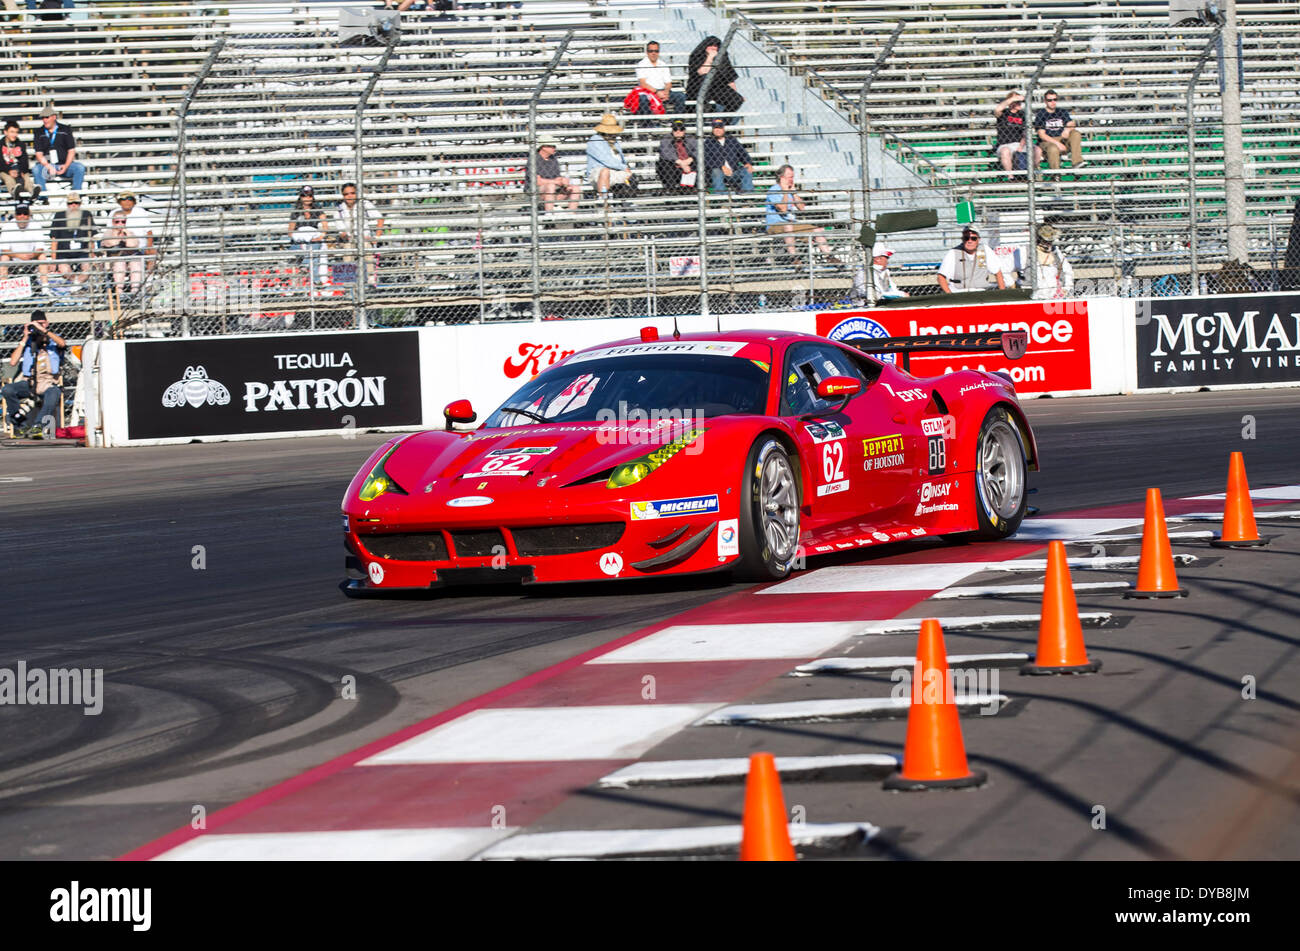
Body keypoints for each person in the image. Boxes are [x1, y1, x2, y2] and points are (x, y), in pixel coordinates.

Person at [765, 164, 841, 266]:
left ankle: (830, 257)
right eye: (790, 177)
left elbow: (801, 208)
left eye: (793, 177)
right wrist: (786, 192)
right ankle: (794, 259)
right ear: (781, 178)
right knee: (788, 227)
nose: (792, 180)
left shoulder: (790, 191)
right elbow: (782, 209)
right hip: (775, 224)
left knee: (817, 230)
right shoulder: (773, 190)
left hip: (792, 223)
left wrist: (794, 193)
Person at [3, 310, 64, 437]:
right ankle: (21, 425)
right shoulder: (28, 342)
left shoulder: (53, 339)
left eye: (41, 323)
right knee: (7, 389)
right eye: (36, 324)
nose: (39, 327)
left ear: (47, 323)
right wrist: (25, 337)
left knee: (53, 394)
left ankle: (38, 426)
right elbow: (13, 362)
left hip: (48, 382)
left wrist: (44, 331)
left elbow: (62, 343)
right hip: (30, 382)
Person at [333, 182, 384, 284]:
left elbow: (380, 219)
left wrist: (376, 238)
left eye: (352, 193)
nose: (350, 196)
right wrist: (345, 235)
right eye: (346, 194)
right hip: (348, 238)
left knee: (367, 248)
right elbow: (341, 230)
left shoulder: (364, 204)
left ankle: (370, 279)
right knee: (347, 250)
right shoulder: (339, 208)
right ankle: (348, 282)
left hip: (364, 237)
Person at [32, 105, 86, 192]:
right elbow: (39, 154)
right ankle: (43, 198)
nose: (44, 120)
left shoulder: (65, 129)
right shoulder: (38, 132)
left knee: (79, 168)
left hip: (64, 165)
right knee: (36, 169)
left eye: (47, 117)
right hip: (47, 167)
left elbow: (71, 150)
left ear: (54, 117)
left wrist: (66, 166)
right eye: (43, 118)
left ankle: (75, 195)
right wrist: (48, 166)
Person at [938, 226, 1006, 293]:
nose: (969, 241)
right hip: (958, 292)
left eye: (973, 238)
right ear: (962, 239)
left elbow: (998, 272)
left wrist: (1002, 294)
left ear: (978, 240)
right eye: (966, 238)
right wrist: (950, 296)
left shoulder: (985, 250)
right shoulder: (953, 252)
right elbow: (941, 277)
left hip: (981, 292)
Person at [686, 35, 744, 114]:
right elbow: (701, 72)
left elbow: (730, 78)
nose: (713, 48)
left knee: (737, 100)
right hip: (698, 88)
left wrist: (735, 93)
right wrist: (710, 57)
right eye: (710, 45)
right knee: (705, 78)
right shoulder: (696, 56)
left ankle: (722, 121)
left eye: (715, 46)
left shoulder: (723, 58)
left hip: (717, 88)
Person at [0, 204, 51, 290]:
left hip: (31, 258)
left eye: (25, 213)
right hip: (13, 258)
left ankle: (45, 288)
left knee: (42, 256)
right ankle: (3, 291)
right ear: (15, 215)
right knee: (4, 258)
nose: (22, 216)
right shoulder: (8, 226)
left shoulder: (35, 225)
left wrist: (32, 255)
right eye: (19, 214)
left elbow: (40, 247)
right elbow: (4, 249)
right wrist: (19, 256)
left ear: (29, 215)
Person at [49, 191, 95, 284]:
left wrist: (92, 255)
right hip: (64, 253)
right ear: (67, 204)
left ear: (80, 204)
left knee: (88, 268)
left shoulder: (86, 215)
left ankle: (76, 285)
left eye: (76, 203)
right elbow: (54, 239)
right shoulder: (59, 216)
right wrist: (53, 261)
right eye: (71, 203)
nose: (73, 205)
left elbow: (91, 238)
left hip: (83, 252)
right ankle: (77, 284)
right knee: (64, 269)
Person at [1033, 90, 1085, 171]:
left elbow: (1071, 123)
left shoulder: (1061, 111)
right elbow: (1042, 135)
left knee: (1075, 133)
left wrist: (1067, 130)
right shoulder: (1041, 114)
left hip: (1062, 138)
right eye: (1050, 100)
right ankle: (1056, 173)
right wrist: (1058, 144)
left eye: (1055, 99)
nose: (1053, 102)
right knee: (1053, 148)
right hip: (1047, 142)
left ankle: (1076, 162)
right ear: (1045, 101)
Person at [289, 185, 329, 289]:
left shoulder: (317, 209)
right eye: (304, 195)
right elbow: (290, 230)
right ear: (301, 197)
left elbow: (325, 225)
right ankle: (315, 278)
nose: (307, 198)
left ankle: (305, 266)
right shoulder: (296, 211)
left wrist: (320, 237)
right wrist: (299, 237)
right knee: (311, 251)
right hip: (299, 240)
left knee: (315, 246)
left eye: (310, 196)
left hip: (312, 239)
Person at [993, 91, 1041, 176]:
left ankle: (1031, 173)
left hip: (1020, 144)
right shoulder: (1004, 113)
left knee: (1037, 150)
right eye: (1016, 101)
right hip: (1005, 144)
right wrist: (1013, 98)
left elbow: (1026, 132)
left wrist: (1021, 146)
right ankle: (1010, 176)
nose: (1019, 103)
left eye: (1020, 102)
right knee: (1005, 151)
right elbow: (997, 109)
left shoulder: (1023, 114)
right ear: (1010, 102)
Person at [585, 114, 631, 199]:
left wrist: (626, 168)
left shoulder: (614, 142)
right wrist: (623, 167)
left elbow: (621, 159)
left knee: (630, 176)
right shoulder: (595, 140)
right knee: (605, 171)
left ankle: (625, 202)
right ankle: (603, 200)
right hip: (598, 171)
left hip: (616, 170)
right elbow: (606, 160)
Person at [702, 118, 754, 194]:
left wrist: (748, 163)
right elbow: (707, 160)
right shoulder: (708, 142)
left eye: (720, 127)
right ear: (712, 129)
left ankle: (748, 197)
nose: (717, 130)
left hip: (734, 171)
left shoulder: (731, 140)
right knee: (716, 171)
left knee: (747, 170)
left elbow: (743, 153)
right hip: (718, 173)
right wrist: (721, 166)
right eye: (715, 128)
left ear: (723, 129)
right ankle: (722, 199)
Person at [633, 40, 685, 115]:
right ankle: (648, 123)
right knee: (643, 99)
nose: (653, 53)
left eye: (656, 51)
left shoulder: (663, 64)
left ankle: (677, 121)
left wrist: (666, 92)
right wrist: (657, 92)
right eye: (651, 51)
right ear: (647, 52)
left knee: (680, 96)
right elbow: (643, 84)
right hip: (648, 92)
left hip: (663, 91)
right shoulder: (641, 64)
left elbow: (668, 83)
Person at [99, 208, 142, 296]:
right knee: (120, 263)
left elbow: (132, 244)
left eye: (123, 222)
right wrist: (117, 235)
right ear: (113, 222)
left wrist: (127, 234)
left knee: (136, 263)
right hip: (113, 262)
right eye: (117, 222)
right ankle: (119, 292)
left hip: (129, 260)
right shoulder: (108, 233)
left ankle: (135, 291)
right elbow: (111, 243)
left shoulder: (129, 232)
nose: (120, 224)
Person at [532, 141, 578, 212]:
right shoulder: (534, 159)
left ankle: (571, 213)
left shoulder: (553, 159)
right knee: (550, 186)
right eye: (552, 146)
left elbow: (557, 177)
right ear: (543, 147)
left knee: (575, 188)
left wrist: (563, 181)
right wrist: (555, 181)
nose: (554, 148)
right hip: (536, 193)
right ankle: (549, 214)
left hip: (553, 191)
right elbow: (538, 181)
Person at [1031, 224, 1074, 299]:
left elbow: (1068, 271)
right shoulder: (1027, 251)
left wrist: (1066, 289)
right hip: (1034, 295)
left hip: (1054, 295)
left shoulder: (1056, 252)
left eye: (1051, 241)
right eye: (1046, 241)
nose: (1049, 244)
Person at [656, 119, 697, 192]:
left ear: (684, 131)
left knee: (697, 162)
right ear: (672, 131)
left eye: (681, 129)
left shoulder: (691, 138)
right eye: (675, 129)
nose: (678, 131)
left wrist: (689, 160)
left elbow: (698, 150)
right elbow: (666, 153)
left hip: (688, 164)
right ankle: (671, 190)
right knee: (665, 163)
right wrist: (681, 163)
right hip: (673, 166)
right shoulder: (666, 139)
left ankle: (689, 190)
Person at [1, 119, 36, 196]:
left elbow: (24, 161)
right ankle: (14, 191)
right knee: (8, 178)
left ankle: (32, 191)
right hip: (4, 170)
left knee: (26, 177)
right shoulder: (1, 144)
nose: (14, 135)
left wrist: (20, 171)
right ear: (5, 132)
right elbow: (0, 162)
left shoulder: (21, 144)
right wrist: (9, 170)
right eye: (12, 132)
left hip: (18, 169)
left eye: (16, 132)